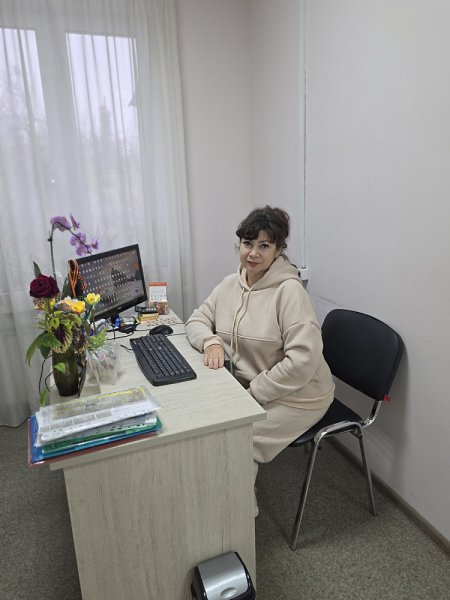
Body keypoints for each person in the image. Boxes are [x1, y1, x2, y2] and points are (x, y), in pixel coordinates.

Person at [185, 206, 335, 514]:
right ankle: (217, 497)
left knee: (238, 438)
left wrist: (252, 394)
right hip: (251, 388)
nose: (253, 253)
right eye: (247, 243)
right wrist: (211, 341)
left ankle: (239, 517)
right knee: (202, 423)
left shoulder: (290, 293)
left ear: (278, 250)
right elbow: (197, 320)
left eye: (264, 246)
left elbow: (302, 363)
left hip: (300, 395)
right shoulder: (230, 284)